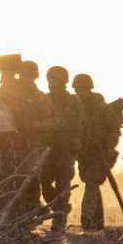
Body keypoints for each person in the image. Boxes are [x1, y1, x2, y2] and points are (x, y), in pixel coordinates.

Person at [0, 60, 51, 212]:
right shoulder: (5, 91)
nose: (27, 80)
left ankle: (29, 215)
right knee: (8, 182)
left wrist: (33, 126)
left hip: (30, 146)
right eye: (25, 76)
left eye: (30, 77)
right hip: (6, 147)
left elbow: (49, 120)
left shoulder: (40, 98)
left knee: (31, 182)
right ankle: (14, 217)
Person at [72, 73, 119, 230]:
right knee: (89, 182)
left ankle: (86, 219)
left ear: (89, 89)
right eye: (77, 90)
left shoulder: (101, 107)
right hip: (82, 153)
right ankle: (97, 223)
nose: (79, 93)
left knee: (91, 183)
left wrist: (108, 148)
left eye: (82, 90)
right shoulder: (74, 106)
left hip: (98, 152)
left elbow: (114, 129)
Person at [40, 65, 82, 232]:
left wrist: (40, 125)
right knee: (44, 182)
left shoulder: (72, 100)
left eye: (54, 80)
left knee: (63, 182)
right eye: (49, 79)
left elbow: (68, 122)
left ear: (62, 81)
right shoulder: (44, 99)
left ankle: (59, 218)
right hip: (49, 148)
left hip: (66, 148)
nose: (51, 83)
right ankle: (60, 207)